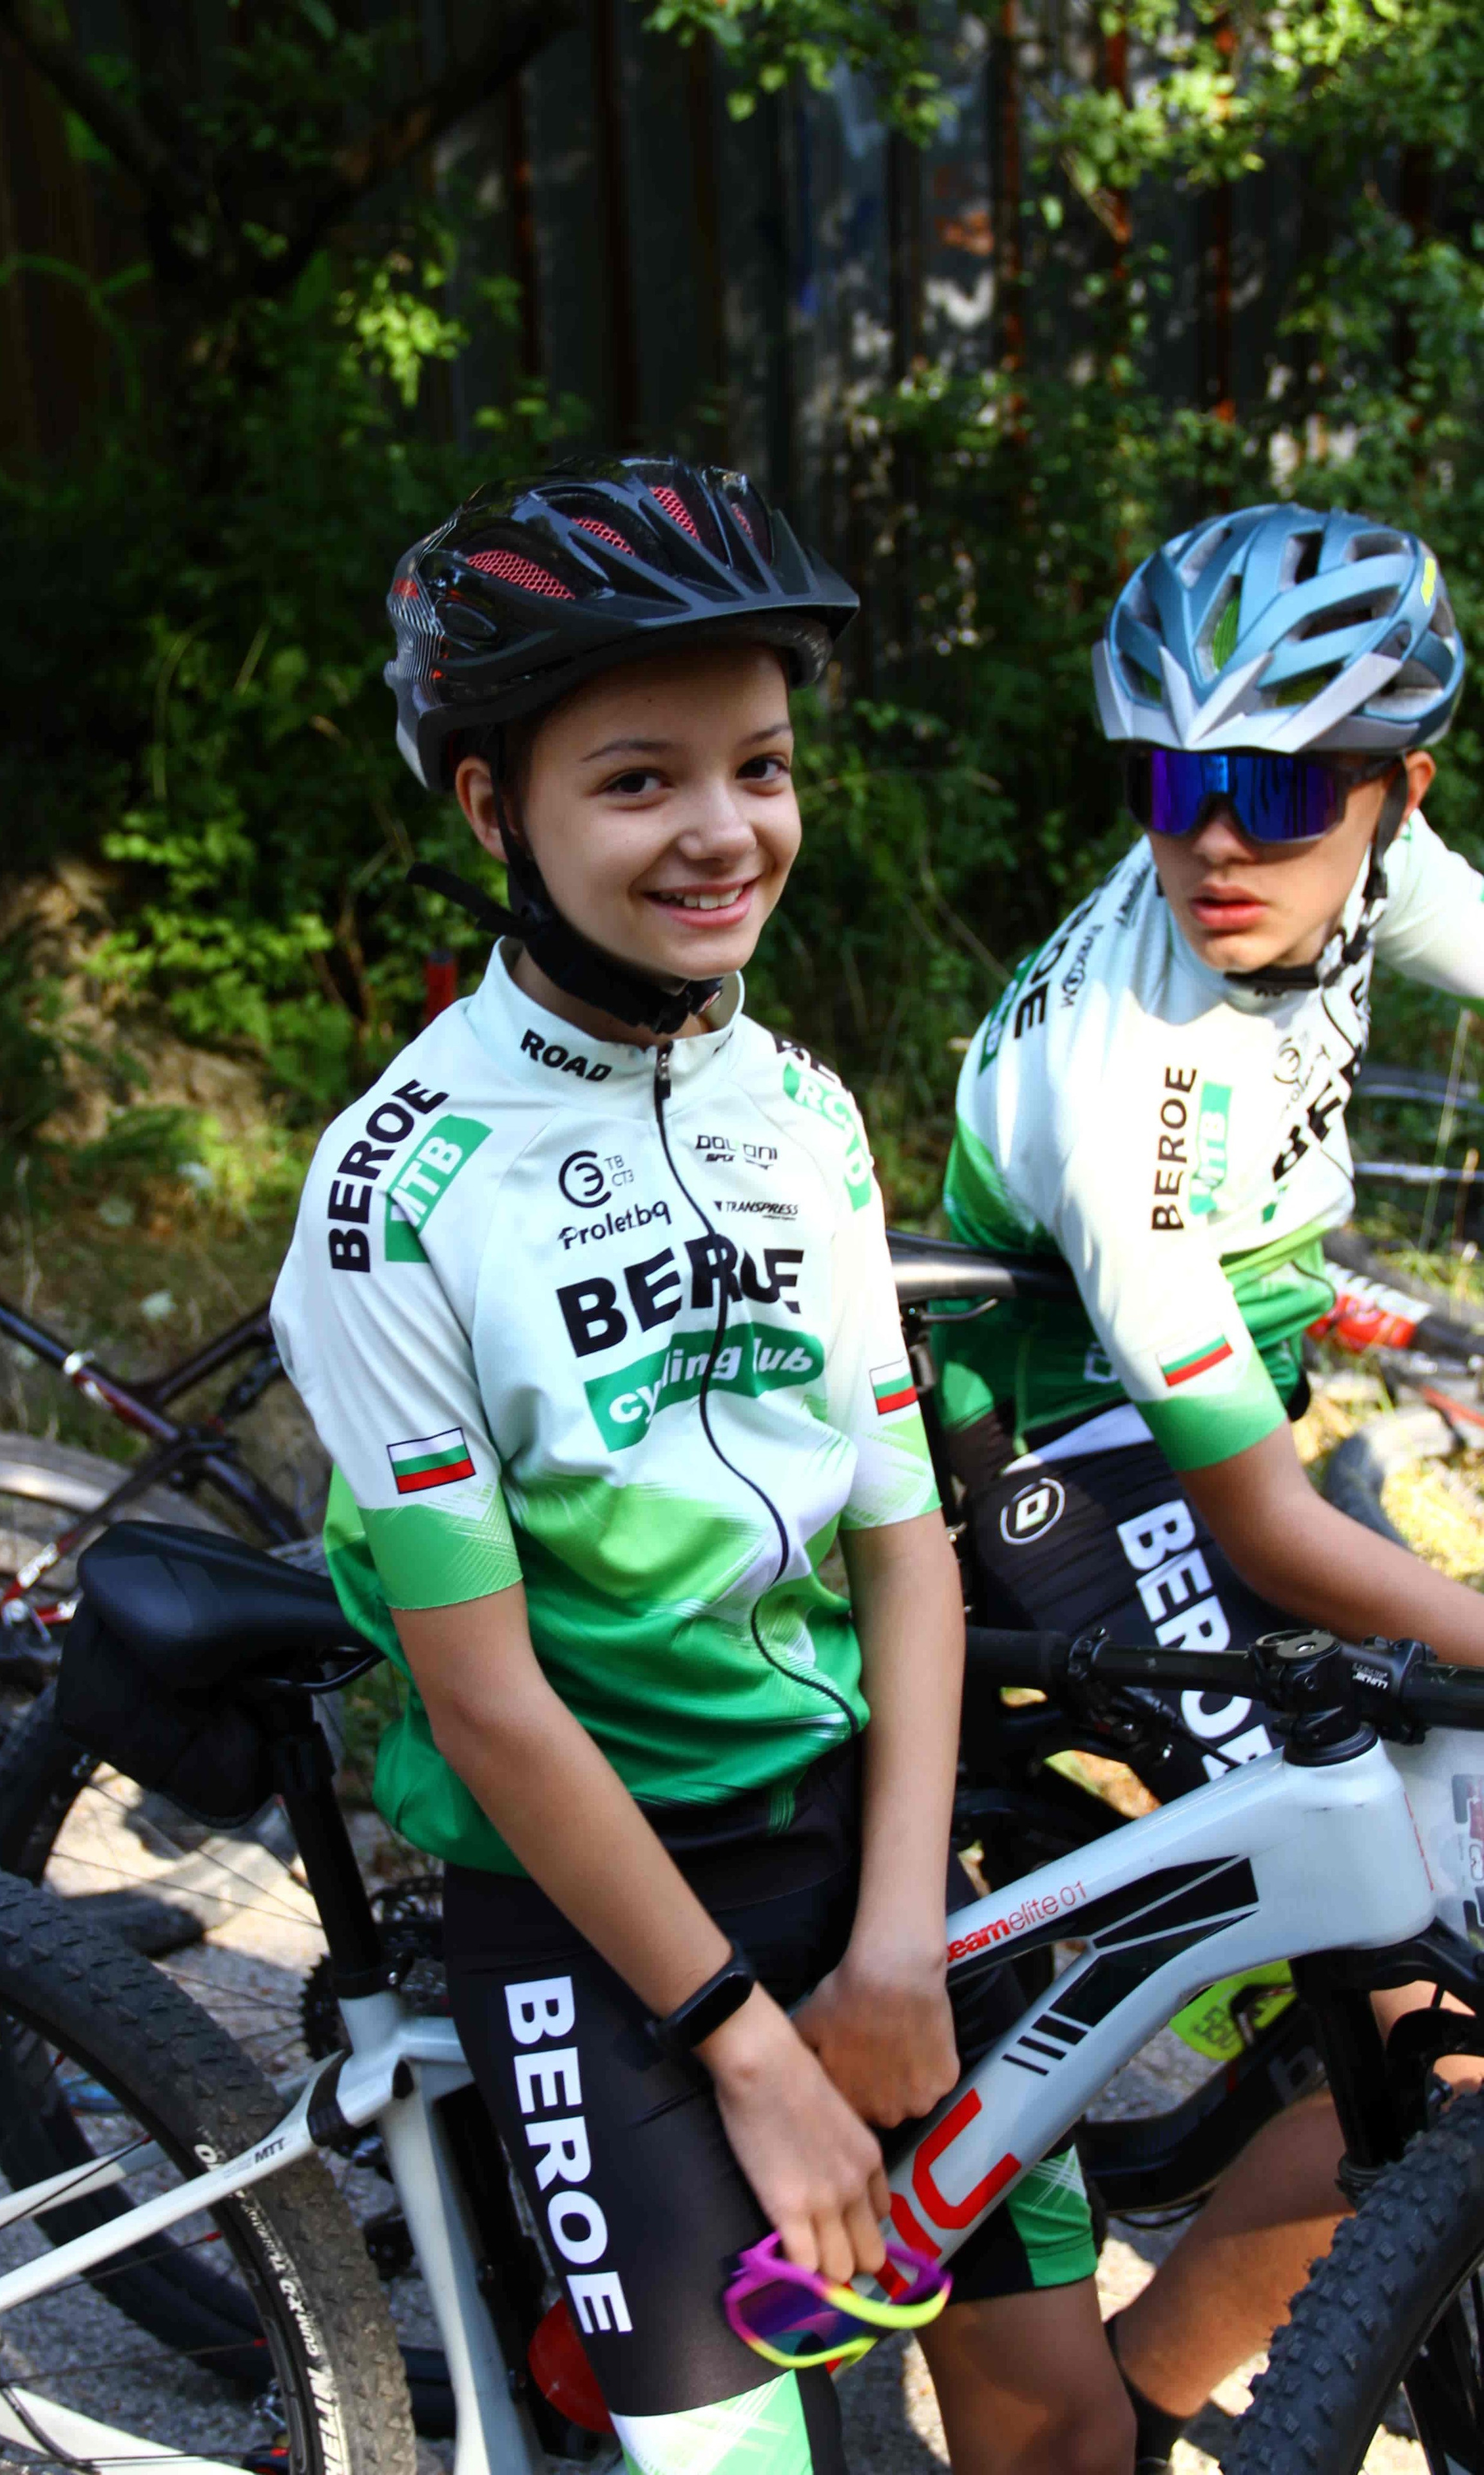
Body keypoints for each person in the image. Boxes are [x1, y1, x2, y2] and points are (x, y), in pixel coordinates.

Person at [272, 456, 1132, 2474]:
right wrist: (746, 2047)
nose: (725, 829)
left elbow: (905, 1550)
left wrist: (899, 1943)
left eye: (761, 766)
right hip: (595, 1925)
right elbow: (486, 1701)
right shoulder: (398, 1192)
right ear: (493, 808)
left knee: (1062, 2434)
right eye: (639, 780)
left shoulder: (804, 1113)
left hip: (859, 1850)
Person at [932, 500, 1481, 2461]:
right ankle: (1154, 2408)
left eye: (1276, 786)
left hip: (1213, 1407)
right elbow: (1264, 1530)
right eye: (1172, 784)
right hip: (1075, 1459)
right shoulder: (1133, 1084)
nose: (1218, 842)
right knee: (1438, 2028)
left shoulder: (1359, 870)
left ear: (1398, 795)